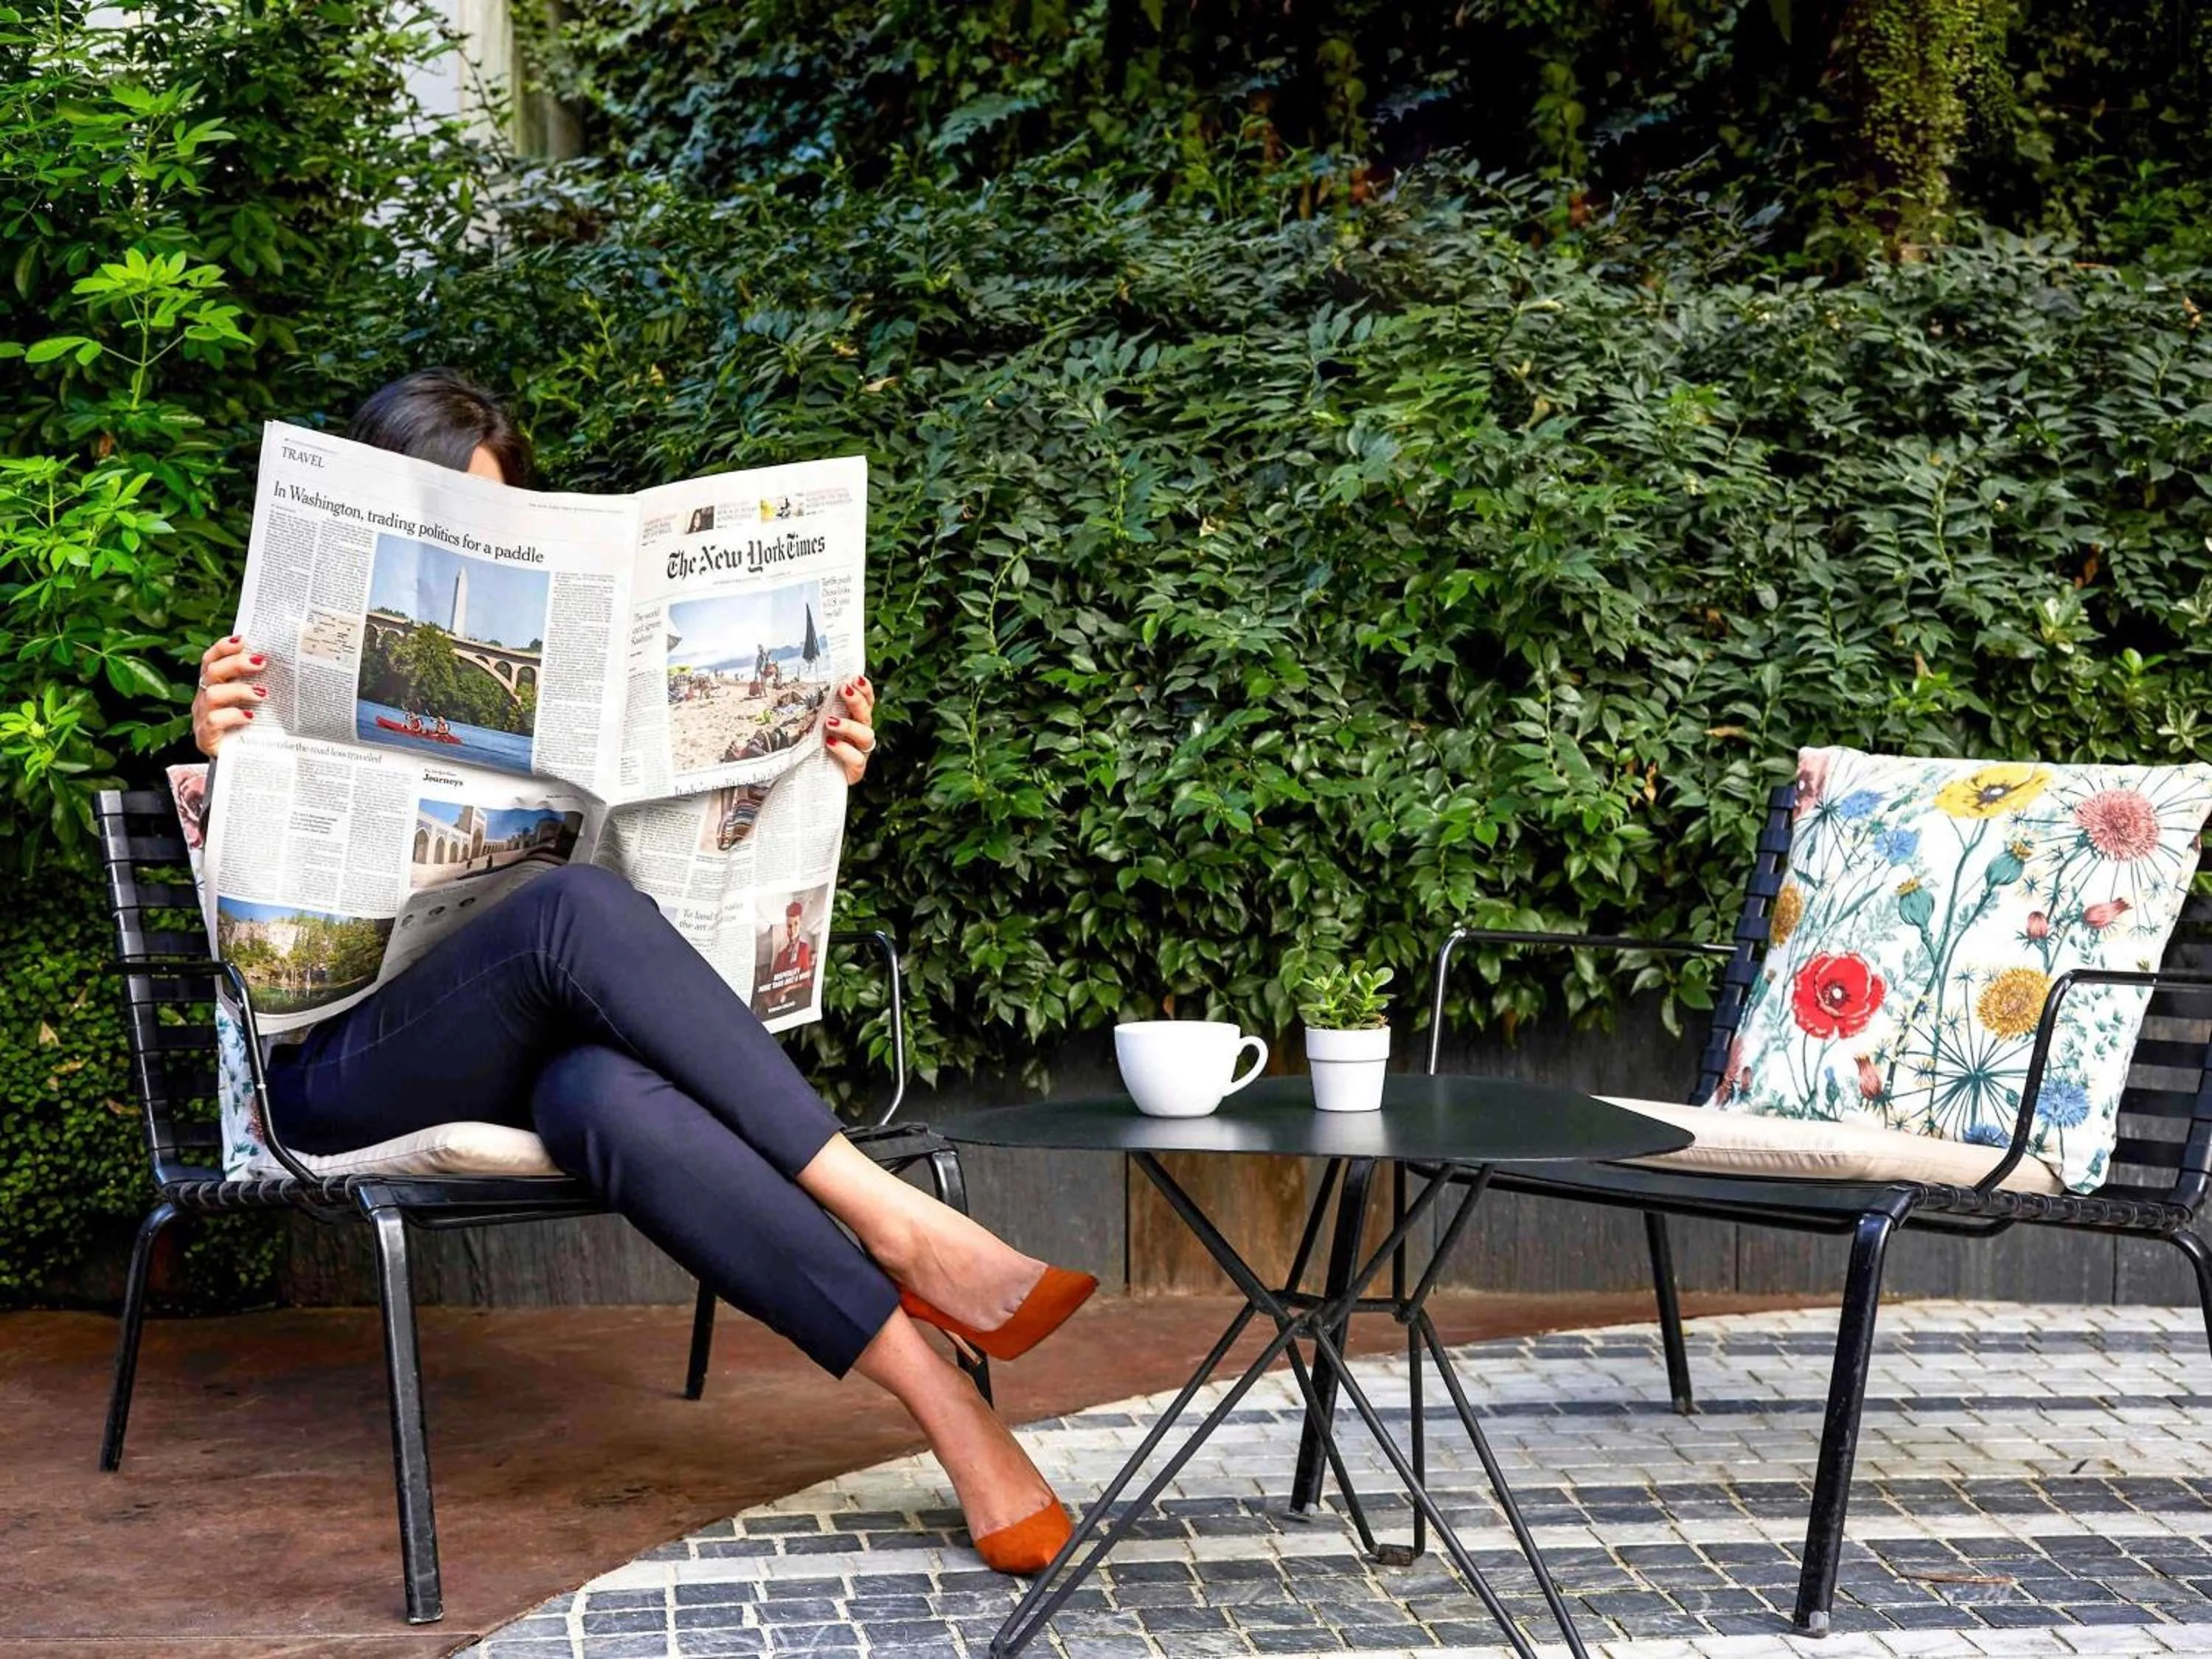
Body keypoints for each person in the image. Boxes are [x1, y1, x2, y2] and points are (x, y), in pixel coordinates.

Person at [189, 368, 1091, 1574]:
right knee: (570, 909)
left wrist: (808, 770)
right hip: (335, 1067)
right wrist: (219, 744)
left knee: (603, 1090)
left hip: (524, 1050)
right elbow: (249, 905)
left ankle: (947, 1407)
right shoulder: (261, 662)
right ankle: (892, 1218)